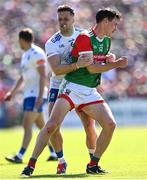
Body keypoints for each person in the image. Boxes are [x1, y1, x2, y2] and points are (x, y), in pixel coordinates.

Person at [21, 8, 128, 176]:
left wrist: (109, 58)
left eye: (66, 18)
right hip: (69, 86)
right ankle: (34, 164)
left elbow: (98, 59)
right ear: (105, 22)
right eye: (114, 24)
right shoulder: (69, 39)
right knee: (51, 126)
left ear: (73, 19)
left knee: (105, 125)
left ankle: (93, 163)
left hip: (89, 90)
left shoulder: (103, 40)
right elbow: (88, 68)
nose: (116, 28)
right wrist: (116, 64)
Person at [4, 28, 57, 164]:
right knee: (42, 126)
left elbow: (43, 75)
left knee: (26, 124)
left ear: (22, 40)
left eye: (19, 41)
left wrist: (40, 97)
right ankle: (54, 152)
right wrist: (12, 92)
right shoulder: (25, 54)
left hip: (36, 95)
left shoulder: (37, 53)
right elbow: (23, 76)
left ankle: (20, 156)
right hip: (29, 94)